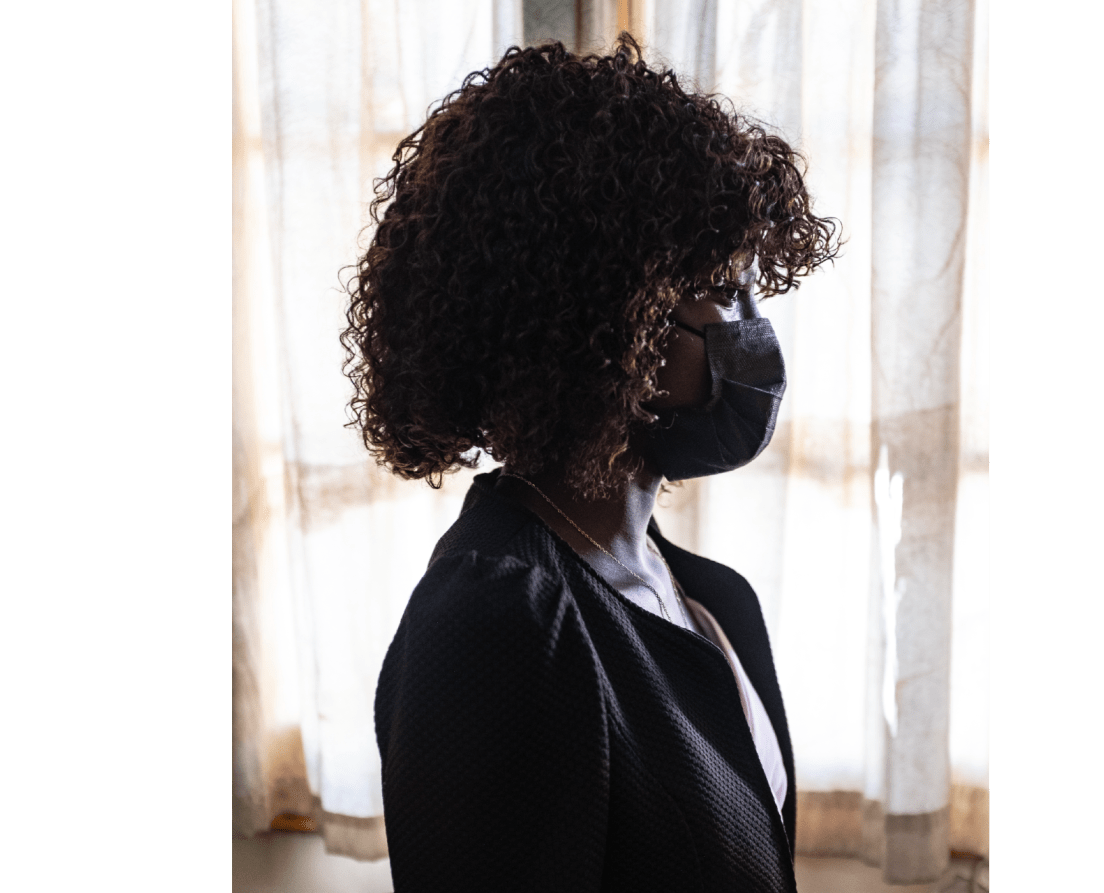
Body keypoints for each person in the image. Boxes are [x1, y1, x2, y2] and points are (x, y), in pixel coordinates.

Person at [343, 34, 839, 893]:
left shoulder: (715, 598)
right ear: (611, 317)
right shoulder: (496, 621)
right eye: (722, 288)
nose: (752, 327)